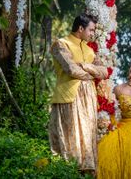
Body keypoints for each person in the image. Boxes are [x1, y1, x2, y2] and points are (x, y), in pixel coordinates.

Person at [48, 13, 109, 175]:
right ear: (80, 28)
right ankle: (68, 172)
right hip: (69, 97)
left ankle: (85, 173)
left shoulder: (89, 50)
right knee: (70, 138)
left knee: (87, 138)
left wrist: (85, 66)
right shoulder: (61, 44)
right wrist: (91, 73)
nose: (92, 33)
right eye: (91, 30)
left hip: (89, 99)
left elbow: (104, 72)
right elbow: (71, 69)